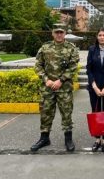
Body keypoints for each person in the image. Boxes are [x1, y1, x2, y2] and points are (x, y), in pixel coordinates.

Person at [31, 23, 80, 152]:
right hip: (47, 87)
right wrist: (46, 79)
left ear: (65, 34)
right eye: (56, 32)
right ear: (53, 33)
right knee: (46, 113)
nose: (59, 34)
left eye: (61, 32)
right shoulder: (45, 47)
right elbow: (38, 65)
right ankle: (44, 138)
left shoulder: (71, 48)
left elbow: (73, 66)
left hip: (64, 87)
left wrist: (61, 80)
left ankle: (68, 139)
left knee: (66, 113)